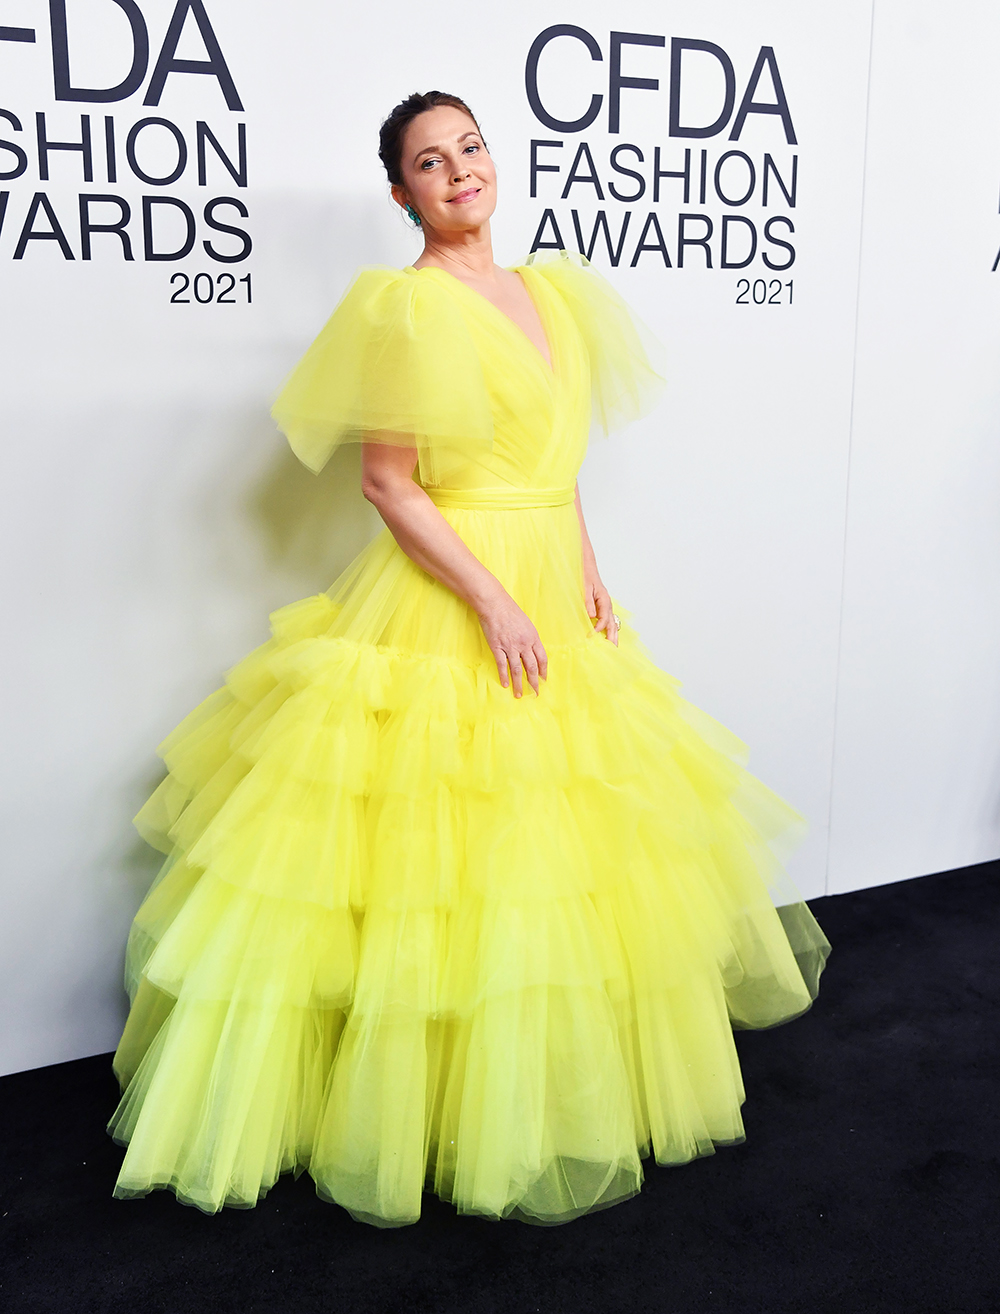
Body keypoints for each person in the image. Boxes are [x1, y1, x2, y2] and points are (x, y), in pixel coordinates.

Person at [108, 90, 830, 1228]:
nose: (459, 173)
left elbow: (556, 461)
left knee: (560, 843)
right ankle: (427, 1106)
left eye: (470, 149)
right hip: (459, 592)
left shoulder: (553, 293)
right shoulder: (404, 310)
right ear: (401, 193)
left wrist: (586, 566)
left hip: (552, 578)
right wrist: (492, 601)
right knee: (437, 855)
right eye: (429, 163)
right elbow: (388, 485)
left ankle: (555, 1082)